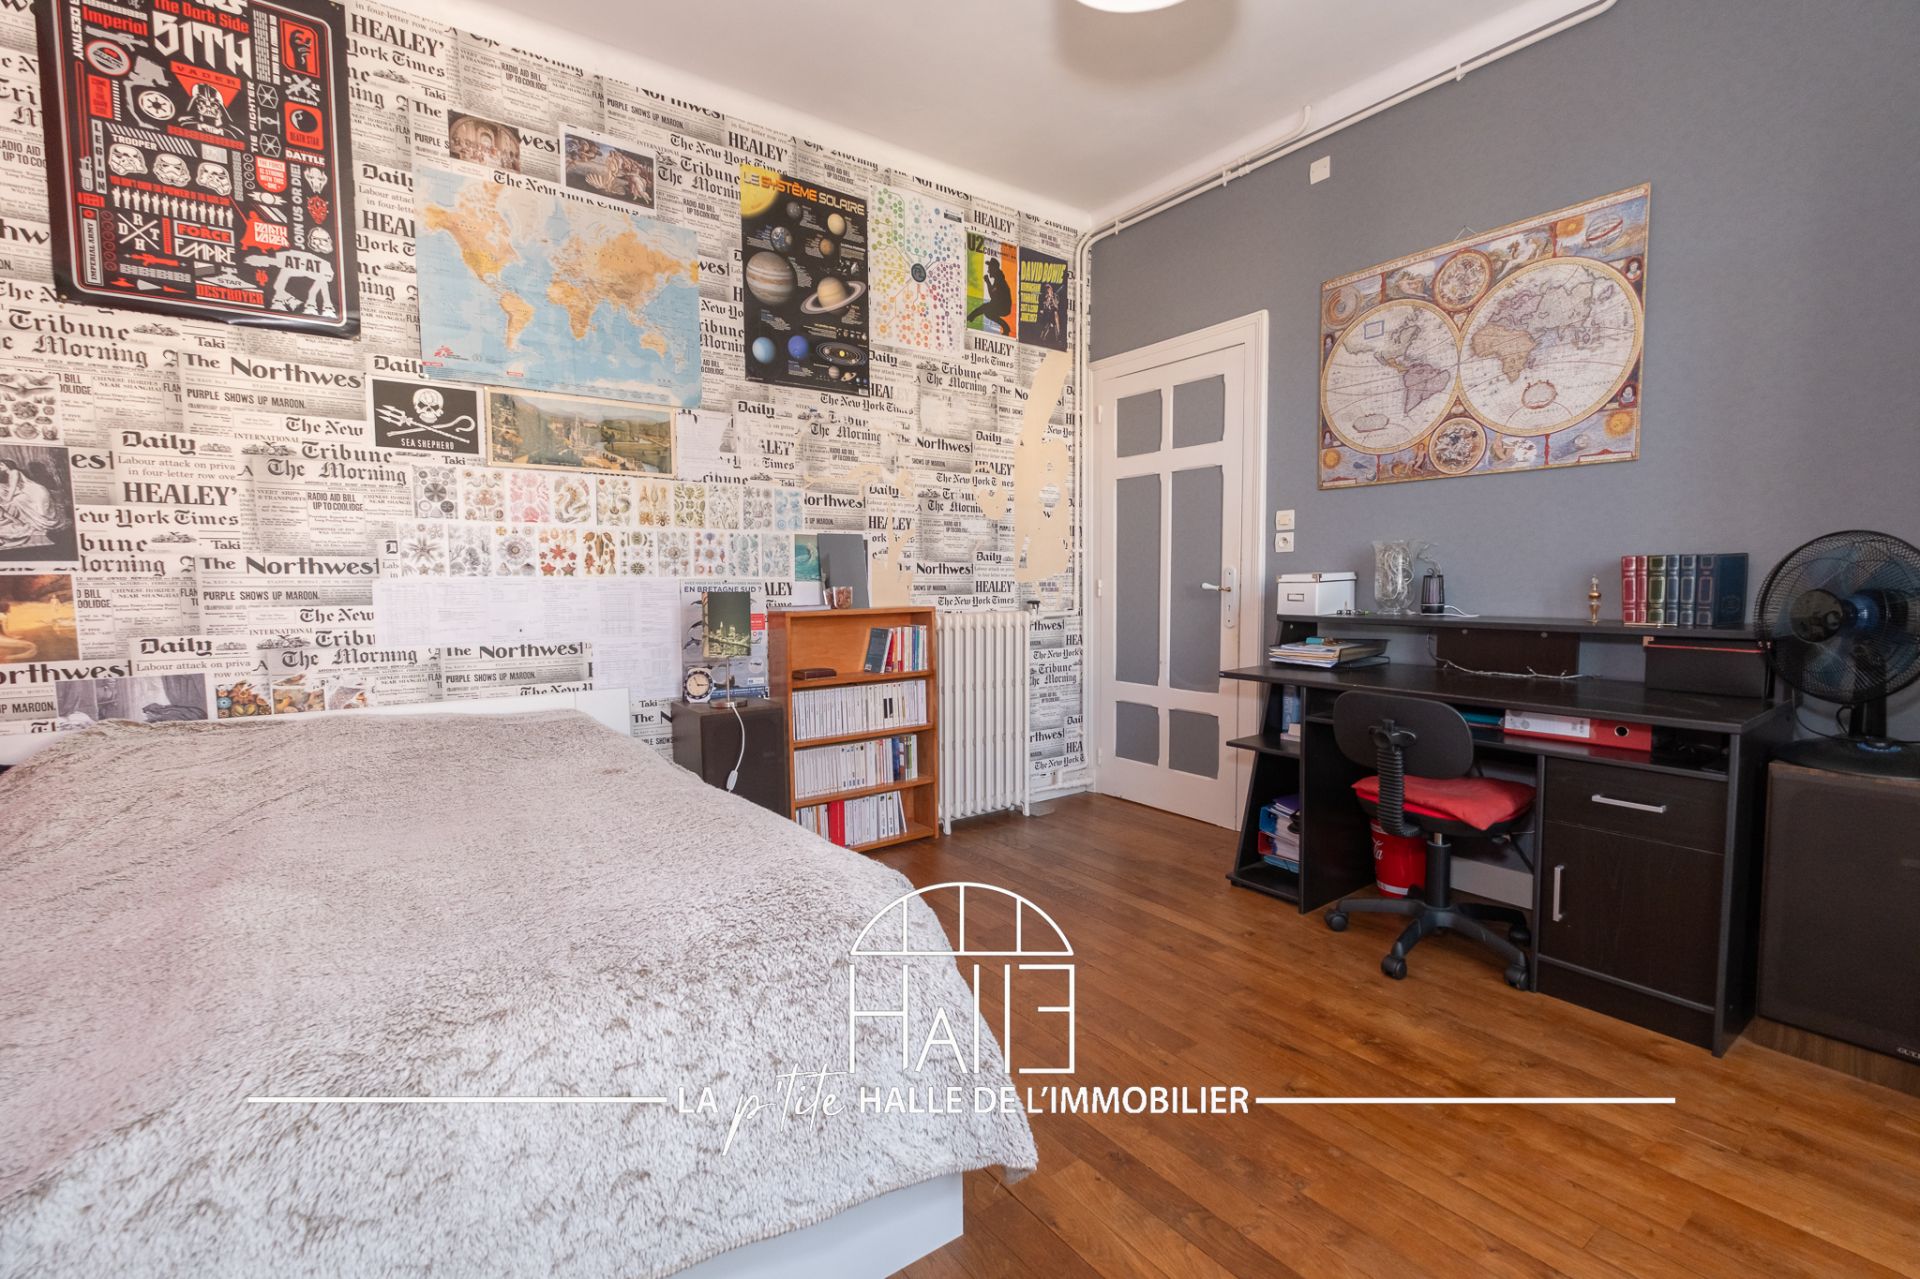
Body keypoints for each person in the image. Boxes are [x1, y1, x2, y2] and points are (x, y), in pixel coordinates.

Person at [0, 457, 62, 550]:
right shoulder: (10, 474)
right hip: (28, 492)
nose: (0, 467)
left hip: (35, 493)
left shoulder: (14, 472)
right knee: (13, 498)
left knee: (17, 501)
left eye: (1, 465)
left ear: (7, 465)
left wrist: (5, 500)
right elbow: (13, 488)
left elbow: (12, 490)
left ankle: (32, 524)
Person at [967, 256, 1015, 334]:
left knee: (985, 308)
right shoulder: (998, 278)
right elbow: (994, 295)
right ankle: (1006, 327)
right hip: (1001, 306)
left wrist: (987, 281)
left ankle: (969, 318)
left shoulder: (999, 280)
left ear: (994, 269)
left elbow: (992, 295)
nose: (988, 271)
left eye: (989, 268)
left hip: (1004, 308)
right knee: (988, 312)